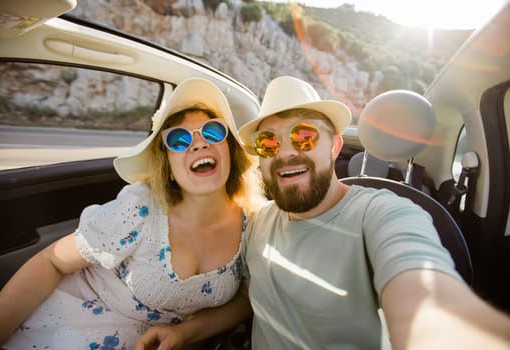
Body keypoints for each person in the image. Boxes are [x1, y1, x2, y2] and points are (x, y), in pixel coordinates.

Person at [134, 76, 510, 350]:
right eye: (268, 142)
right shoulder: (255, 222)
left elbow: (420, 289)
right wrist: (186, 333)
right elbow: (249, 297)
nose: (286, 152)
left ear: (334, 146)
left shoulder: (384, 214)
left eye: (304, 136)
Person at [0, 77, 265, 349]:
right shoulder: (139, 210)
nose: (199, 143)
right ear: (167, 167)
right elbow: (52, 261)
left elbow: (244, 297)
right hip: (65, 331)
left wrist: (184, 333)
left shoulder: (252, 224)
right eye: (178, 140)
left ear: (230, 148)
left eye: (213, 131)